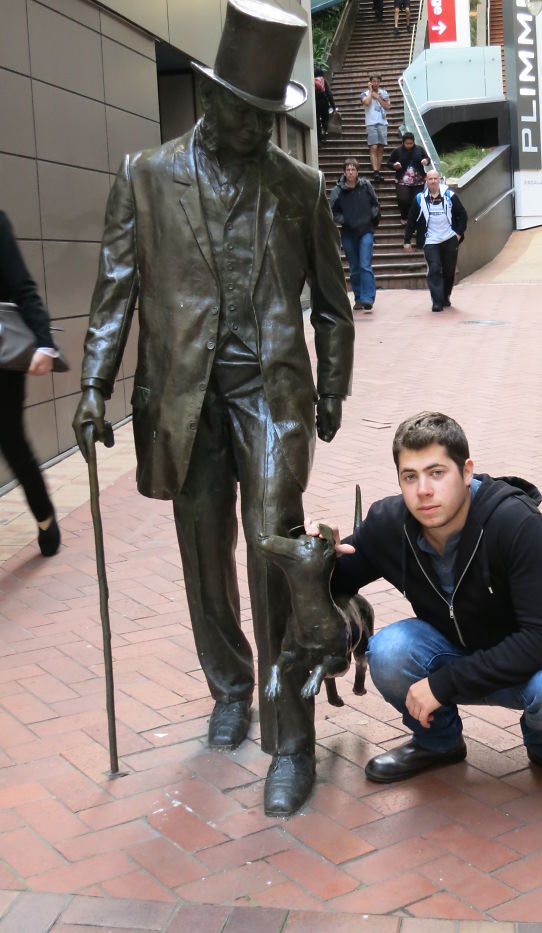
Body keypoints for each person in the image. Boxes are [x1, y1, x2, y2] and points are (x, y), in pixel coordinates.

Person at [72, 0, 354, 818]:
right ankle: (229, 685)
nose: (261, 130)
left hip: (272, 396)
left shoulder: (299, 186)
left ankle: (291, 738)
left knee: (277, 549)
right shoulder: (145, 176)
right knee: (204, 552)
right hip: (183, 399)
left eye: (270, 116)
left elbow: (332, 305)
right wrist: (92, 387)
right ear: (209, 98)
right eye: (247, 114)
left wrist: (331, 387)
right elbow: (114, 294)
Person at [308, 411, 542, 798]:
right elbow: (335, 582)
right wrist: (316, 553)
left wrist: (444, 684)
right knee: (388, 650)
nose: (423, 491)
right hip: (448, 650)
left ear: (466, 472)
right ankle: (438, 743)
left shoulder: (516, 524)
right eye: (410, 477)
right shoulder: (389, 525)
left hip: (528, 662)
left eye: (437, 473)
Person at [0, 211, 60, 557]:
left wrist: (44, 342)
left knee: (12, 443)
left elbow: (23, 286)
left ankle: (44, 517)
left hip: (2, 360)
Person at [404, 169, 467, 312]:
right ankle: (437, 301)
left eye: (435, 179)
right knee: (434, 268)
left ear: (439, 180)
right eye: (430, 179)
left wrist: (458, 234)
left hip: (449, 238)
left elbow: (462, 215)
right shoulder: (420, 198)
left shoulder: (449, 196)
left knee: (449, 270)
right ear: (426, 180)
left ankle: (445, 296)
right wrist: (407, 240)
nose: (433, 181)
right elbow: (411, 220)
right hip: (430, 240)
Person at [330, 158, 380, 312]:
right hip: (348, 233)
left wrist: (371, 217)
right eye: (348, 170)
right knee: (354, 267)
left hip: (366, 231)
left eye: (353, 169)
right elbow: (333, 211)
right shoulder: (337, 190)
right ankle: (358, 297)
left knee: (365, 264)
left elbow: (375, 203)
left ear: (357, 172)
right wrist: (345, 220)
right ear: (344, 172)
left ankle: (368, 298)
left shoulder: (365, 186)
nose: (350, 172)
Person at [388, 131, 429, 221]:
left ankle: (413, 219)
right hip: (402, 179)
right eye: (407, 143)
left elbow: (427, 159)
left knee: (415, 200)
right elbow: (389, 163)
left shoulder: (419, 149)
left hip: (418, 180)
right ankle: (404, 216)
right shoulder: (397, 151)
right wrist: (394, 165)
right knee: (403, 199)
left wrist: (426, 161)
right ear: (403, 142)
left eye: (411, 143)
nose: (409, 145)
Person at [361, 75, 390, 183]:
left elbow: (388, 106)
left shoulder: (384, 93)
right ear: (370, 82)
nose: (376, 83)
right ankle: (375, 171)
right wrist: (370, 91)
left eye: (377, 81)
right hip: (371, 123)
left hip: (382, 122)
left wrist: (378, 97)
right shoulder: (365, 93)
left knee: (381, 147)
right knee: (373, 146)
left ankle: (378, 171)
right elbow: (367, 102)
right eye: (373, 81)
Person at [314, 67, 336, 141]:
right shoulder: (324, 81)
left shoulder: (312, 81)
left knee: (317, 121)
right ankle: (325, 131)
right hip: (324, 103)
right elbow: (329, 94)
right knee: (325, 118)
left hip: (315, 104)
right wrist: (333, 106)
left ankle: (319, 138)